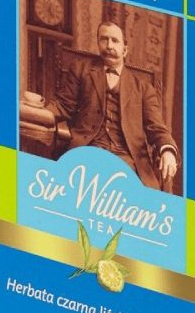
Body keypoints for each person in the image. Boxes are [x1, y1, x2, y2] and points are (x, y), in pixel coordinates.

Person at [45, 21, 179, 190]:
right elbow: (63, 105)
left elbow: (157, 127)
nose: (109, 45)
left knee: (125, 189)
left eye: (115, 41)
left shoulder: (143, 88)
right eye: (104, 39)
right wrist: (39, 113)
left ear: (125, 50)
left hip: (127, 158)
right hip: (89, 148)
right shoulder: (81, 70)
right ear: (98, 43)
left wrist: (168, 151)